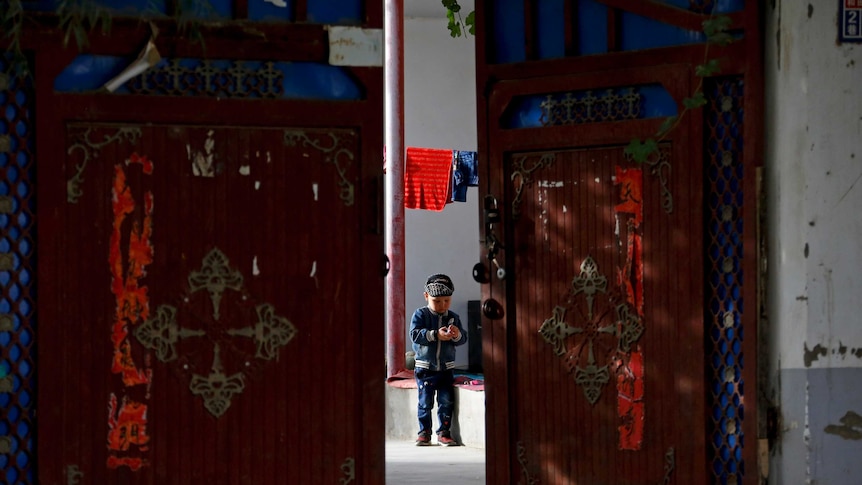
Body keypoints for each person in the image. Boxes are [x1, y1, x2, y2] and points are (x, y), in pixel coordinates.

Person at [409, 274, 467, 446]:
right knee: (425, 402)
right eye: (437, 301)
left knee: (446, 401)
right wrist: (435, 335)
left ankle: (444, 432)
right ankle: (424, 432)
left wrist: (456, 334)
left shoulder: (454, 317)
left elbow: (463, 339)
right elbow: (414, 335)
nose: (442, 305)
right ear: (426, 296)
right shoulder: (420, 314)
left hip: (446, 368)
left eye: (446, 300)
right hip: (425, 368)